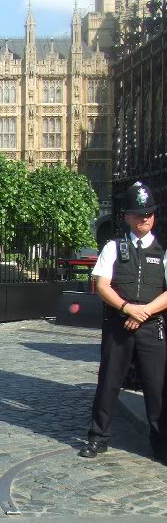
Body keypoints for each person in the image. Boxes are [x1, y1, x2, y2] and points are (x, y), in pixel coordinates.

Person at [80, 181, 167, 463]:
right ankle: (98, 437)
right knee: (108, 382)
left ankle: (160, 443)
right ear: (128, 217)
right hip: (119, 324)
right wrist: (128, 308)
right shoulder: (114, 247)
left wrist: (144, 312)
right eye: (139, 214)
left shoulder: (163, 249)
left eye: (149, 214)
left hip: (152, 326)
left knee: (157, 387)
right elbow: (102, 285)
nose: (145, 219)